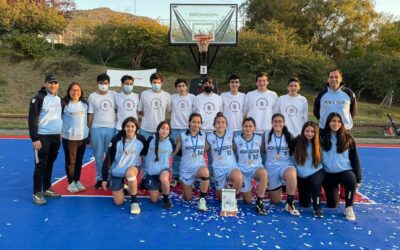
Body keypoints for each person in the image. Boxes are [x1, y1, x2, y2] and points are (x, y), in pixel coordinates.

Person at [320, 112, 361, 221]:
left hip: (344, 172)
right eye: (333, 121)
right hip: (329, 174)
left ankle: (349, 207)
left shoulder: (348, 138)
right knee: (333, 204)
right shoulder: (321, 137)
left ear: (342, 123)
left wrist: (358, 177)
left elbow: (355, 159)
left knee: (351, 179)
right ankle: (334, 191)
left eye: (338, 121)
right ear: (328, 122)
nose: (336, 123)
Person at [28, 74, 62, 205]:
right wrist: (35, 138)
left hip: (55, 136)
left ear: (58, 85)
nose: (53, 85)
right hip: (42, 136)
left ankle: (47, 188)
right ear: (45, 84)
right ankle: (37, 192)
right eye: (50, 83)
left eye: (55, 83)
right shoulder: (38, 99)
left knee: (50, 163)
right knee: (41, 164)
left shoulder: (59, 99)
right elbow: (32, 119)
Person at [101, 117, 146, 214]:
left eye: (133, 126)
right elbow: (109, 158)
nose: (130, 129)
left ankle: (134, 202)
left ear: (136, 128)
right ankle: (125, 187)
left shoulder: (141, 140)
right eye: (127, 126)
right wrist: (105, 178)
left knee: (130, 174)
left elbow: (145, 153)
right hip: (117, 170)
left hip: (132, 167)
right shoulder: (116, 139)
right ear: (124, 127)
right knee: (119, 202)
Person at [265, 113, 300, 216]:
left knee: (292, 173)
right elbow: (262, 151)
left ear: (284, 123)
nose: (277, 123)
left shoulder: (289, 135)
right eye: (275, 121)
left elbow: (294, 153)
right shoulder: (266, 135)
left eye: (280, 121)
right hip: (271, 168)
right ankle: (281, 186)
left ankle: (290, 202)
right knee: (276, 201)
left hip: (285, 165)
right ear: (271, 123)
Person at [173, 113, 210, 212]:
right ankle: (187, 185)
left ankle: (202, 200)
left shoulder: (203, 135)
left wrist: (200, 153)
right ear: (189, 122)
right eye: (194, 122)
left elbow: (207, 146)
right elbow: (175, 152)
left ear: (201, 124)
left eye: (198, 122)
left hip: (199, 167)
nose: (196, 124)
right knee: (188, 198)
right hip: (186, 169)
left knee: (206, 172)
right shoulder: (181, 136)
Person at [234, 117, 268, 215]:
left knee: (264, 173)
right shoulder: (237, 139)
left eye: (250, 126)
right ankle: (240, 188)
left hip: (256, 168)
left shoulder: (259, 138)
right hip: (243, 170)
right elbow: (232, 153)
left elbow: (264, 151)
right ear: (242, 128)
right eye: (246, 126)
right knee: (248, 201)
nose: (248, 129)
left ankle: (260, 201)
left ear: (254, 128)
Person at [88, 73, 116, 189]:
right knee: (98, 156)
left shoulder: (114, 95)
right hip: (96, 129)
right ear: (97, 83)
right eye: (101, 83)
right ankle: (100, 178)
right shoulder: (92, 96)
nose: (103, 85)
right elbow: (90, 114)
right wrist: (89, 130)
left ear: (109, 84)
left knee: (110, 156)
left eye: (105, 83)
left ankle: (109, 178)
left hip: (111, 129)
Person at [206, 112, 242, 200]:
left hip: (231, 166)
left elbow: (237, 146)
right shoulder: (210, 137)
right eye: (218, 122)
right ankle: (226, 189)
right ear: (214, 125)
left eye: (223, 122)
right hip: (218, 168)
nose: (220, 124)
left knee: (238, 177)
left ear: (226, 125)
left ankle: (232, 197)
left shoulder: (231, 133)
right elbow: (203, 150)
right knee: (220, 198)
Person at [292, 121, 324, 218]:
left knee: (315, 183)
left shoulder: (320, 142)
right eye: (307, 131)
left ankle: (317, 208)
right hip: (302, 175)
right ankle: (309, 191)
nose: (310, 134)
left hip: (316, 171)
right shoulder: (296, 142)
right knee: (304, 203)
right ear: (303, 131)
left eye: (312, 131)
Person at [193, 77, 223, 185]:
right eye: (205, 84)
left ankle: (213, 179)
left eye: (210, 84)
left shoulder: (218, 98)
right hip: (201, 131)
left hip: (214, 132)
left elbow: (220, 114)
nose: (208, 86)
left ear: (213, 86)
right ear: (202, 86)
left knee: (213, 158)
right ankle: (197, 180)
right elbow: (194, 115)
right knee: (198, 156)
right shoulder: (197, 98)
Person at [61, 82, 89, 193]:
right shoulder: (64, 104)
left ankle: (77, 180)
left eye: (77, 90)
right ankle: (71, 183)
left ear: (81, 91)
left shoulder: (85, 104)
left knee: (79, 161)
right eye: (72, 90)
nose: (75, 92)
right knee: (70, 162)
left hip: (82, 137)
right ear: (69, 91)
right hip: (69, 138)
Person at [142, 121, 175, 209]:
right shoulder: (150, 139)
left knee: (164, 178)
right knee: (154, 200)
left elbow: (176, 152)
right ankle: (154, 184)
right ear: (158, 130)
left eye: (167, 129)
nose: (165, 131)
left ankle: (166, 198)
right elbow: (143, 154)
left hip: (163, 169)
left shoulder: (171, 141)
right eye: (162, 128)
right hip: (152, 172)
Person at [169, 78, 195, 186]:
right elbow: (169, 110)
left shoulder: (192, 97)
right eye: (179, 86)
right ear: (176, 88)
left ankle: (188, 177)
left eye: (183, 86)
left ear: (186, 87)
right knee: (176, 154)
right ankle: (175, 177)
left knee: (189, 154)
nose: (181, 88)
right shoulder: (172, 98)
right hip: (175, 129)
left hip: (188, 129)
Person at [138, 73, 171, 140]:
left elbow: (169, 110)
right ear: (151, 82)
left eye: (158, 82)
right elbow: (140, 110)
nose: (156, 84)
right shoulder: (144, 94)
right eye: (154, 82)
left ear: (162, 83)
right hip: (146, 129)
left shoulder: (167, 95)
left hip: (160, 130)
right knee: (145, 149)